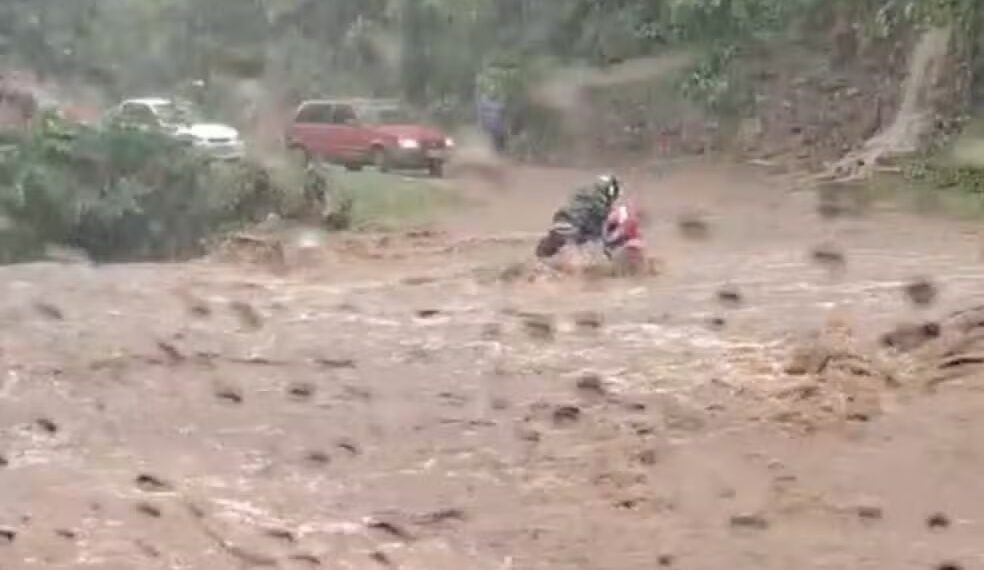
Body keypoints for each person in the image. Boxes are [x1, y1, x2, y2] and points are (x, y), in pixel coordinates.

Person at [535, 174, 622, 259]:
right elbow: (597, 230)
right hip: (575, 229)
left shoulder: (582, 192)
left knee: (544, 254)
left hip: (560, 222)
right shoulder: (601, 204)